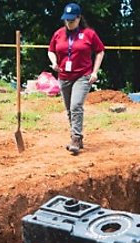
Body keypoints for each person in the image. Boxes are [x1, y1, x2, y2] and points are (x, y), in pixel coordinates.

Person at [48, 3, 105, 155]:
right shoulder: (58, 34)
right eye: (66, 20)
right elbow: (51, 50)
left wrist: (95, 72)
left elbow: (100, 51)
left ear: (79, 18)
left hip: (83, 75)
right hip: (64, 76)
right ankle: (77, 138)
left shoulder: (89, 34)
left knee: (76, 106)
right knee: (69, 110)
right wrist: (54, 63)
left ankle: (75, 137)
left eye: (72, 20)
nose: (69, 23)